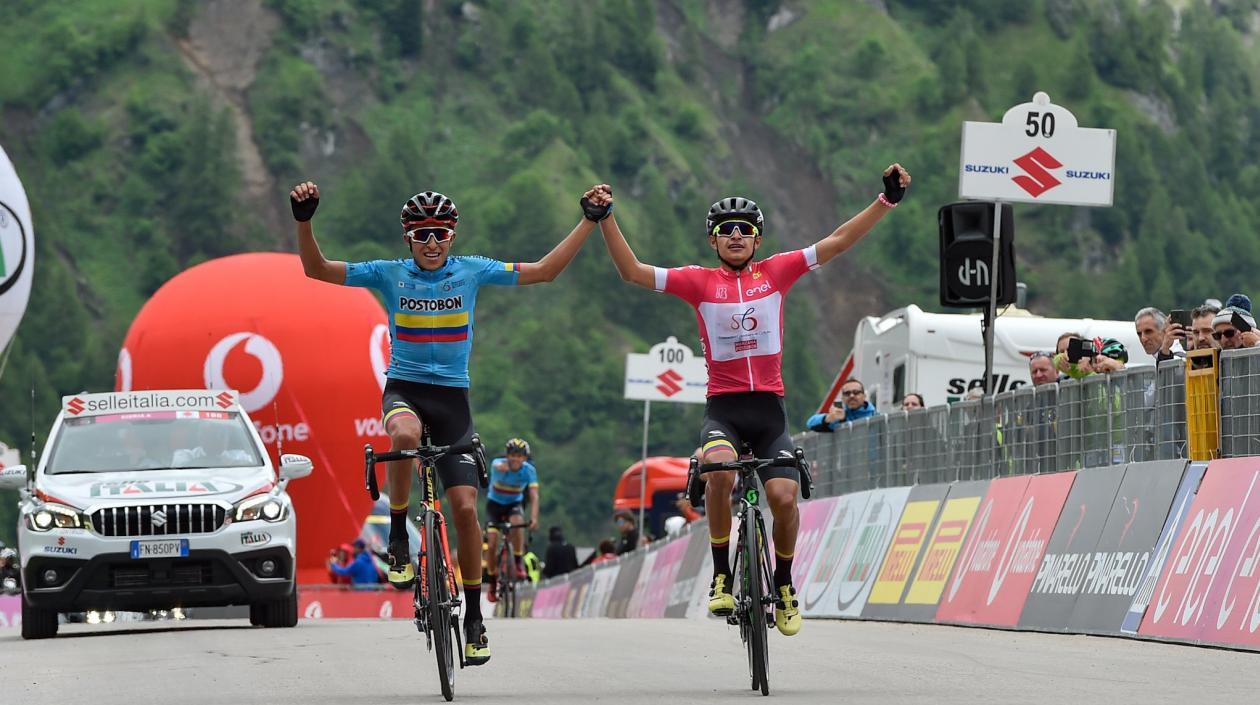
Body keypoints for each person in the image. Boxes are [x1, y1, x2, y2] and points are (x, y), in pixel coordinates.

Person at [591, 163, 911, 638]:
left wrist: (887, 200)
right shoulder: (698, 282)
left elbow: (839, 241)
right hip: (724, 409)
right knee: (718, 470)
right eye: (726, 231)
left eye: (745, 230)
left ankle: (783, 585)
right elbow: (632, 272)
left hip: (768, 411)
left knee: (783, 498)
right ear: (713, 242)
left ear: (757, 240)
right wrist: (607, 218)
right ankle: (721, 574)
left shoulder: (777, 272)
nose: (736, 236)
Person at [289, 181, 595, 666]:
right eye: (422, 234)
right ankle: (396, 536)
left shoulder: (472, 271)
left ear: (452, 237)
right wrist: (304, 221)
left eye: (441, 234)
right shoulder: (389, 274)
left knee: (467, 511)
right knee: (405, 437)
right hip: (405, 390)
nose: (432, 243)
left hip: (454, 401)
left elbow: (545, 271)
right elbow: (317, 269)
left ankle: (474, 617)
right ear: (408, 239)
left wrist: (589, 221)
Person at [483, 438, 540, 602]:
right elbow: (497, 466)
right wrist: (504, 467)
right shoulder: (498, 464)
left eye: (519, 456)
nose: (515, 458)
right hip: (494, 505)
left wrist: (534, 518)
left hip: (514, 503)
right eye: (512, 455)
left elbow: (534, 496)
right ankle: (493, 582)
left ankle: (517, 560)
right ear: (507, 455)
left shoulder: (529, 470)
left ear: (525, 458)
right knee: (492, 544)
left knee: (517, 523)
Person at [806, 379, 877, 432]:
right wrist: (828, 418)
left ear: (864, 396)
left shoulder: (876, 417)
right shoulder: (839, 417)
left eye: (856, 392)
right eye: (847, 393)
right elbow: (810, 423)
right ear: (842, 398)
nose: (851, 396)